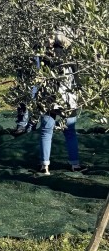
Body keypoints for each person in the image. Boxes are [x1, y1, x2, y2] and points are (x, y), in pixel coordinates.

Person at [36, 32, 85, 175]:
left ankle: (44, 165)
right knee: (70, 132)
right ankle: (75, 165)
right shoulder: (71, 59)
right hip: (68, 100)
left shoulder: (45, 58)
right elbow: (78, 82)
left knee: (46, 131)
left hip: (49, 98)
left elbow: (39, 75)